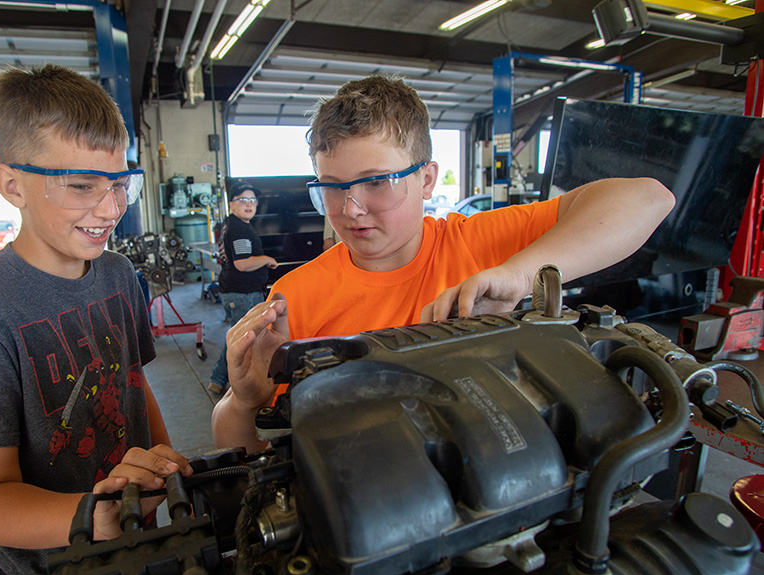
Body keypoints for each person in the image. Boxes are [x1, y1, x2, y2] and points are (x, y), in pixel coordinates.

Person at [212, 74, 675, 452]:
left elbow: (648, 198)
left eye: (376, 182)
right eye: (332, 186)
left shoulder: (478, 243)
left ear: (427, 178)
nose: (351, 209)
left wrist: (519, 275)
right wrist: (245, 403)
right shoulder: (297, 297)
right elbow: (242, 461)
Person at [0, 64, 191, 575]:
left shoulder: (116, 275)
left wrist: (164, 463)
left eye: (118, 185)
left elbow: (133, 384)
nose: (109, 209)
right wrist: (97, 515)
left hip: (142, 557)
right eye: (82, 186)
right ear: (11, 184)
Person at [207, 181, 277, 395]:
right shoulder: (240, 229)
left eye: (252, 200)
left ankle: (218, 379)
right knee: (244, 339)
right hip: (243, 292)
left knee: (238, 335)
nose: (249, 204)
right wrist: (266, 259)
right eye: (242, 200)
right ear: (232, 204)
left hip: (233, 290)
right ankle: (233, 383)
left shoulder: (231, 224)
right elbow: (242, 263)